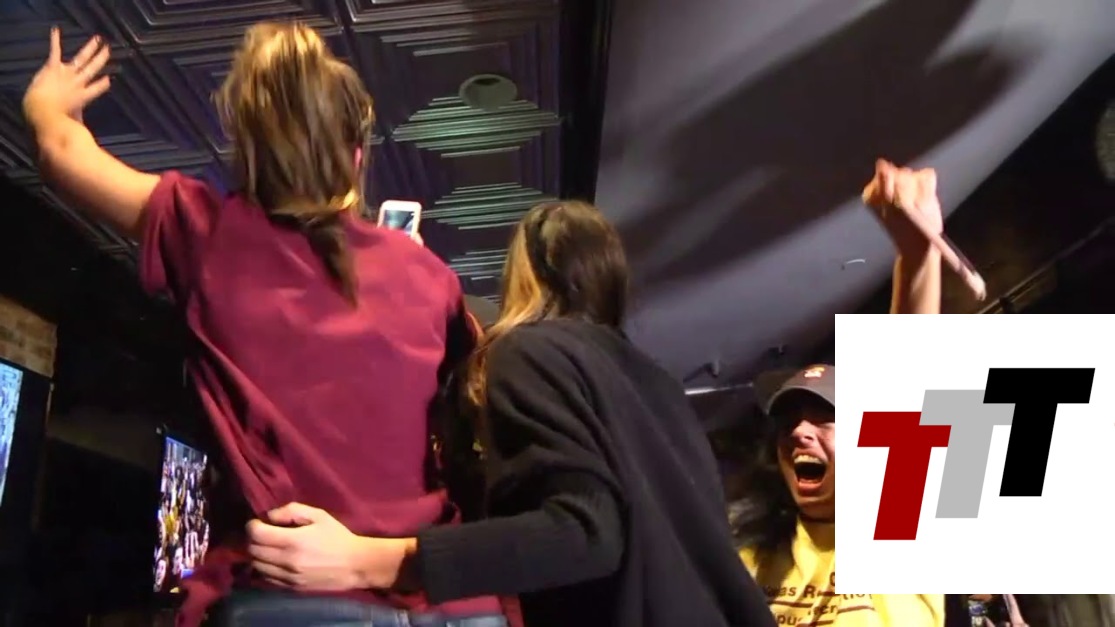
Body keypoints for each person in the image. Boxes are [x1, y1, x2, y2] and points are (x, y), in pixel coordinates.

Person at [22, 23, 504, 627]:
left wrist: (47, 103)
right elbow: (475, 390)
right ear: (356, 159)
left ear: (249, 156)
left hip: (279, 602)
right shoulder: (430, 277)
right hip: (439, 604)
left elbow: (61, 152)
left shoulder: (206, 233)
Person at [241, 200, 777, 627]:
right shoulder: (654, 381)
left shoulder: (530, 351)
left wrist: (366, 561)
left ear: (524, 272)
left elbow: (583, 533)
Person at [729, 161, 946, 626]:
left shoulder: (899, 528)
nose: (799, 432)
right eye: (789, 420)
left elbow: (908, 373)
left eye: (825, 417)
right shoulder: (751, 558)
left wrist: (917, 253)